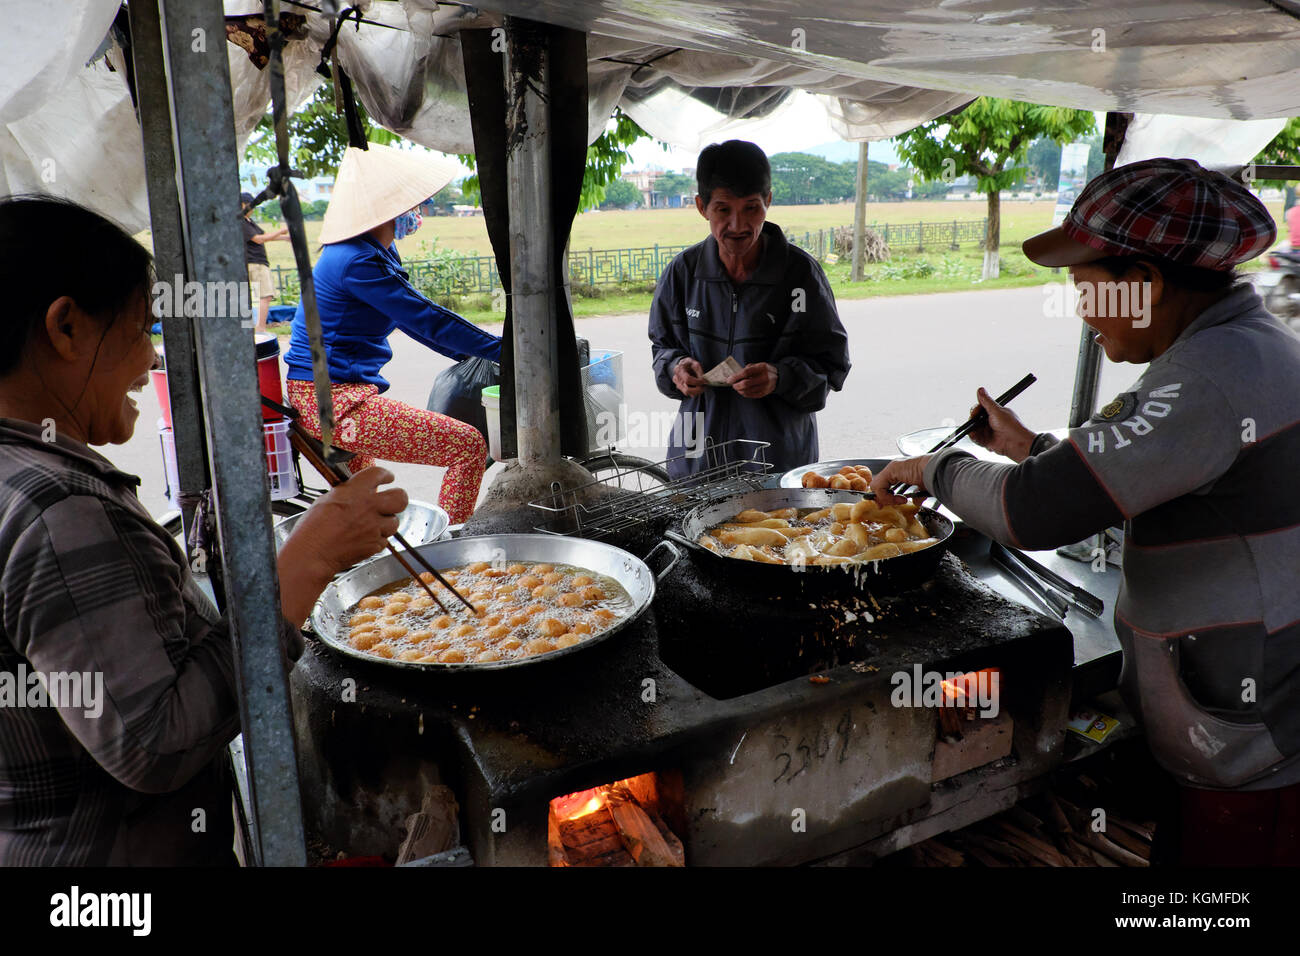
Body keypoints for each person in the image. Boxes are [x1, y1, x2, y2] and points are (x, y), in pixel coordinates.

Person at [871, 158, 1300, 866]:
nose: (1080, 310)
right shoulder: (1240, 349)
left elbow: (1032, 511)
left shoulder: (1207, 379)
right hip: (1240, 733)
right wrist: (1028, 446)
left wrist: (933, 467)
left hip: (1257, 756)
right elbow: (1164, 482)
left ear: (1143, 285)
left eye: (1085, 287)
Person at [0, 195, 407, 865]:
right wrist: (305, 563)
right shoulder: (57, 509)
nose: (149, 360)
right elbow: (156, 741)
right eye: (139, 329)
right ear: (66, 327)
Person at [283, 143, 501, 523]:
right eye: (411, 205)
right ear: (387, 210)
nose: (417, 212)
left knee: (379, 512)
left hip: (332, 396)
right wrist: (503, 351)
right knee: (468, 446)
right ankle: (448, 552)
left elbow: (412, 320)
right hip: (335, 405)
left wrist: (472, 354)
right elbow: (425, 318)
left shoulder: (374, 250)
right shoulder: (356, 260)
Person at [648, 141, 851, 477]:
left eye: (751, 208)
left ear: (768, 201)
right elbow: (662, 350)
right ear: (702, 207)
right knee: (687, 526)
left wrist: (780, 377)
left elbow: (832, 367)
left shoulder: (799, 273)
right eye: (723, 210)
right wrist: (676, 369)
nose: (738, 225)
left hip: (777, 456)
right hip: (695, 452)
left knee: (781, 530)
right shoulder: (683, 272)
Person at [241, 191, 289, 334]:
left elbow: (264, 237)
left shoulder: (249, 221)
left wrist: (284, 238)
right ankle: (260, 328)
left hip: (258, 262)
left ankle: (257, 327)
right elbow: (258, 239)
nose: (253, 208)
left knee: (261, 296)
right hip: (255, 262)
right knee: (265, 295)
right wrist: (280, 232)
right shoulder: (241, 222)